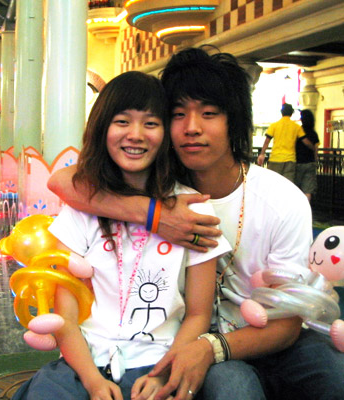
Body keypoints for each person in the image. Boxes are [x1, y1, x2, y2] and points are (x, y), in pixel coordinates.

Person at [48, 47, 344, 400]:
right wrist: (154, 214)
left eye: (209, 113)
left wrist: (211, 348)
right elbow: (61, 182)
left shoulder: (282, 201)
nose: (191, 128)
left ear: (233, 120)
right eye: (178, 114)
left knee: (333, 375)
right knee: (234, 388)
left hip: (264, 336)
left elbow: (287, 324)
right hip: (185, 337)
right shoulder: (157, 180)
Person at [14, 71, 230, 400]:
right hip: (83, 364)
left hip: (161, 361)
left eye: (151, 123)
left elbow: (199, 314)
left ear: (166, 133)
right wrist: (92, 381)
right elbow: (65, 316)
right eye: (122, 121)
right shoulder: (81, 208)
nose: (136, 135)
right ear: (102, 128)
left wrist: (164, 373)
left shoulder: (194, 211)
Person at [257, 103, 308, 181]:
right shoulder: (296, 127)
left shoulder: (274, 125)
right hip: (290, 160)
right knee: (287, 183)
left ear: (281, 112)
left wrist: (262, 154)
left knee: (272, 182)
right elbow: (305, 141)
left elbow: (267, 141)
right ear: (292, 113)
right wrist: (314, 147)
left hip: (275, 159)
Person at [294, 109, 320, 202]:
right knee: (308, 190)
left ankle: (296, 207)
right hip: (310, 162)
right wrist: (315, 160)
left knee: (295, 188)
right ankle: (307, 207)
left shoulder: (298, 131)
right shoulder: (314, 133)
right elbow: (316, 149)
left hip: (298, 162)